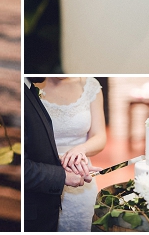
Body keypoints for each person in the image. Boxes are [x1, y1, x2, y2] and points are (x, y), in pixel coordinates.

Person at [24, 77, 96, 232]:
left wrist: (79, 151)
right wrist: (62, 175)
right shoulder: (29, 89)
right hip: (45, 187)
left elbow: (100, 136)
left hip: (77, 173)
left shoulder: (90, 85)